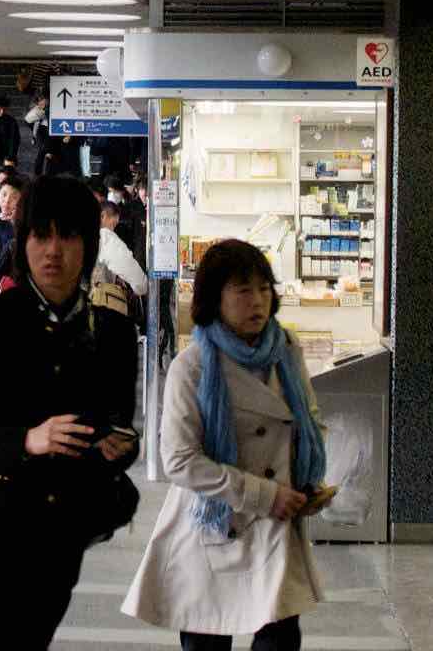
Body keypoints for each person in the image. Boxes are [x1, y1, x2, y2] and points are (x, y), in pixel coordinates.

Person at [0, 174, 141, 649]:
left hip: (54, 539)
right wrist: (24, 439)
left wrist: (118, 446)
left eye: (69, 235)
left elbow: (119, 430)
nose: (53, 251)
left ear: (90, 243)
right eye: (40, 235)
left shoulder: (114, 334)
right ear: (23, 244)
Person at [123, 240, 328, 650]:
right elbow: (179, 461)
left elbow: (310, 420)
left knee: (280, 637)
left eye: (264, 289)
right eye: (243, 290)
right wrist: (263, 494)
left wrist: (307, 481)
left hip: (275, 528)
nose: (258, 301)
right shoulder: (193, 366)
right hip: (213, 524)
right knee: (207, 639)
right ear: (215, 299)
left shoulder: (286, 352)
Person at [96, 199, 148, 291]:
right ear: (103, 216)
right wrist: (142, 287)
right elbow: (134, 275)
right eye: (113, 223)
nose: (113, 229)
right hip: (96, 299)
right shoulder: (105, 237)